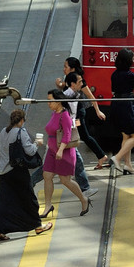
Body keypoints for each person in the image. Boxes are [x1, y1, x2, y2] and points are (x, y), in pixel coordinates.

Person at [0, 108, 52, 241]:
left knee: (5, 201)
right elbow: (30, 151)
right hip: (17, 171)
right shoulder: (21, 131)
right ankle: (37, 225)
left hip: (2, 171)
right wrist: (37, 143)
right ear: (21, 120)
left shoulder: (4, 131)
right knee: (29, 197)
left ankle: (1, 230)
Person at [41, 89, 90, 218]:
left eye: (50, 101)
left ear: (58, 101)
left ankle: (83, 199)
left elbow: (67, 135)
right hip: (52, 151)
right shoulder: (54, 113)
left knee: (65, 180)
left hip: (64, 152)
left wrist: (61, 150)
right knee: (47, 176)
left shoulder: (65, 115)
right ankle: (47, 206)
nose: (48, 103)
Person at [109, 49, 134, 175]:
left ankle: (128, 165)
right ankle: (117, 157)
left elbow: (116, 89)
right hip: (126, 105)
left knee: (126, 135)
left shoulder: (114, 74)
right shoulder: (129, 75)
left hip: (115, 104)